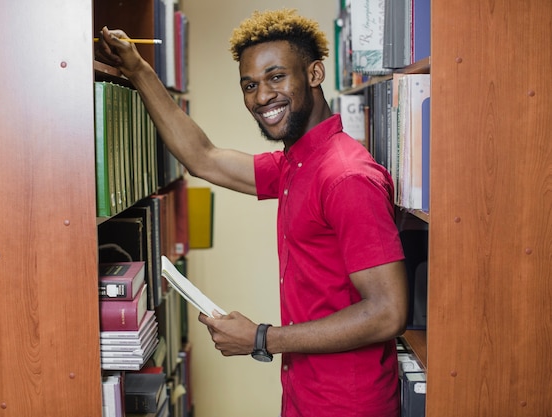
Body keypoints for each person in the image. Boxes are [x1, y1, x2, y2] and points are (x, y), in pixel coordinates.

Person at [97, 8, 408, 417]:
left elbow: (388, 312)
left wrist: (261, 338)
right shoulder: (297, 164)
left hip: (346, 403)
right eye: (250, 85)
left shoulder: (345, 176)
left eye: (276, 77)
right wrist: (138, 71)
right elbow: (203, 158)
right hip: (304, 391)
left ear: (314, 74)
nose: (261, 97)